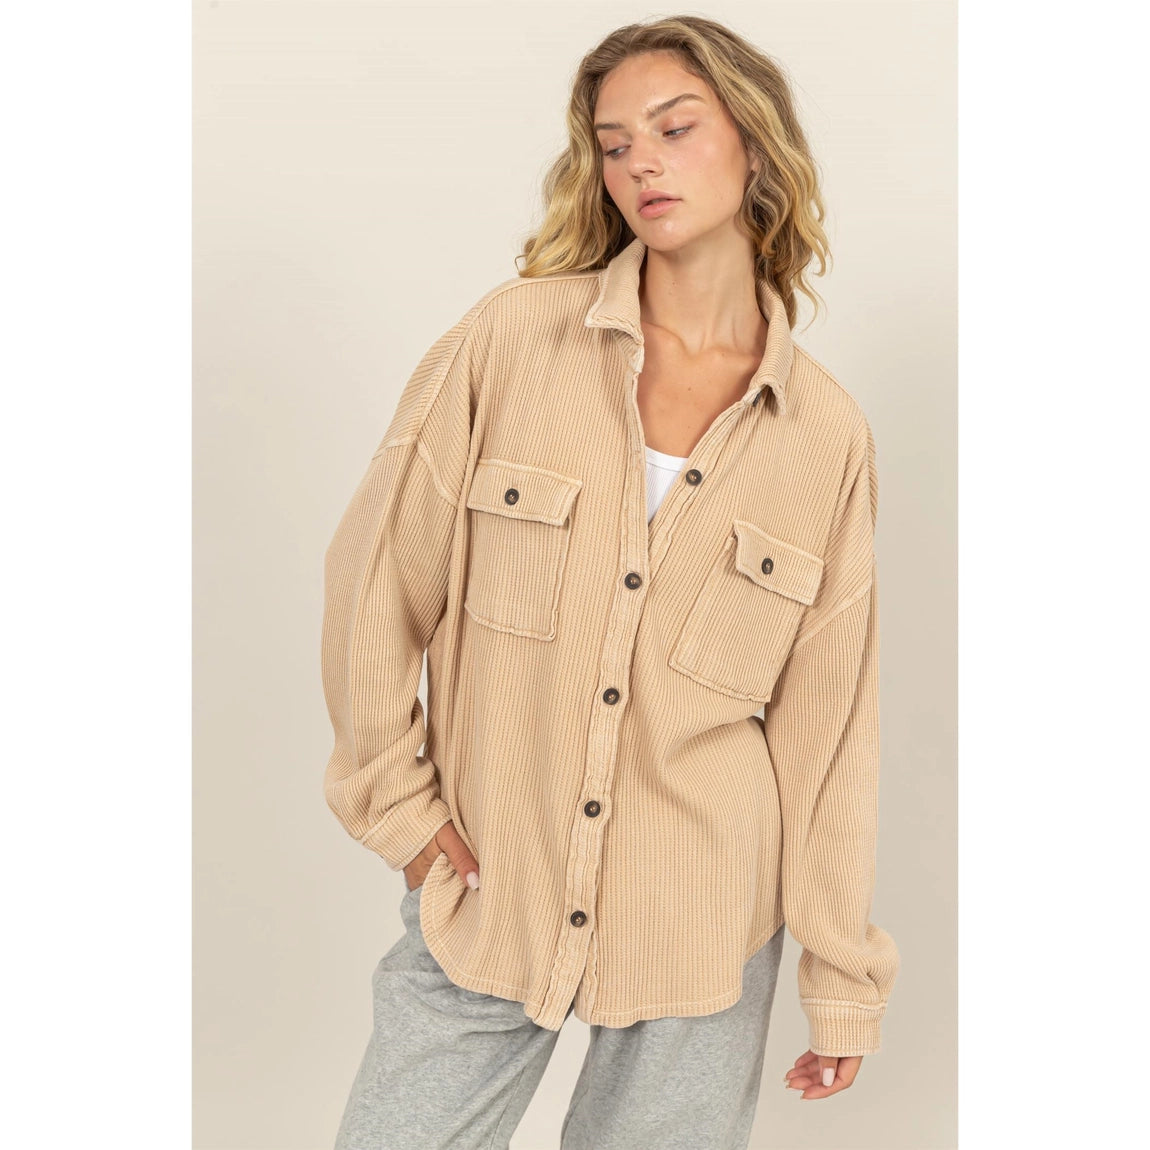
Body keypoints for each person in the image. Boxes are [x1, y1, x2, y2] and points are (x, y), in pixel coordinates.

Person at [321, 14, 900, 1150]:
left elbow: (828, 734)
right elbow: (375, 586)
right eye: (615, 143)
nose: (641, 164)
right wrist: (402, 812)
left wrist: (841, 974)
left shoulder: (823, 435)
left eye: (674, 130)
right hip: (490, 892)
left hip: (702, 924)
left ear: (754, 143)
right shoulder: (509, 342)